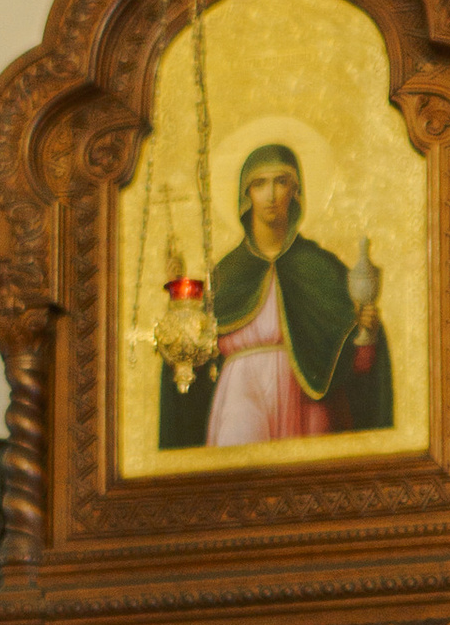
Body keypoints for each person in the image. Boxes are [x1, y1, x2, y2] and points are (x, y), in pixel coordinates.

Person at [157, 142, 391, 450]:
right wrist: (181, 307)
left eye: (281, 182)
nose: (270, 195)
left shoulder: (323, 268)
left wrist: (367, 332)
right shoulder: (226, 274)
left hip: (311, 396)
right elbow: (196, 360)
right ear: (246, 195)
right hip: (241, 393)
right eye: (259, 184)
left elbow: (357, 365)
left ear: (296, 191)